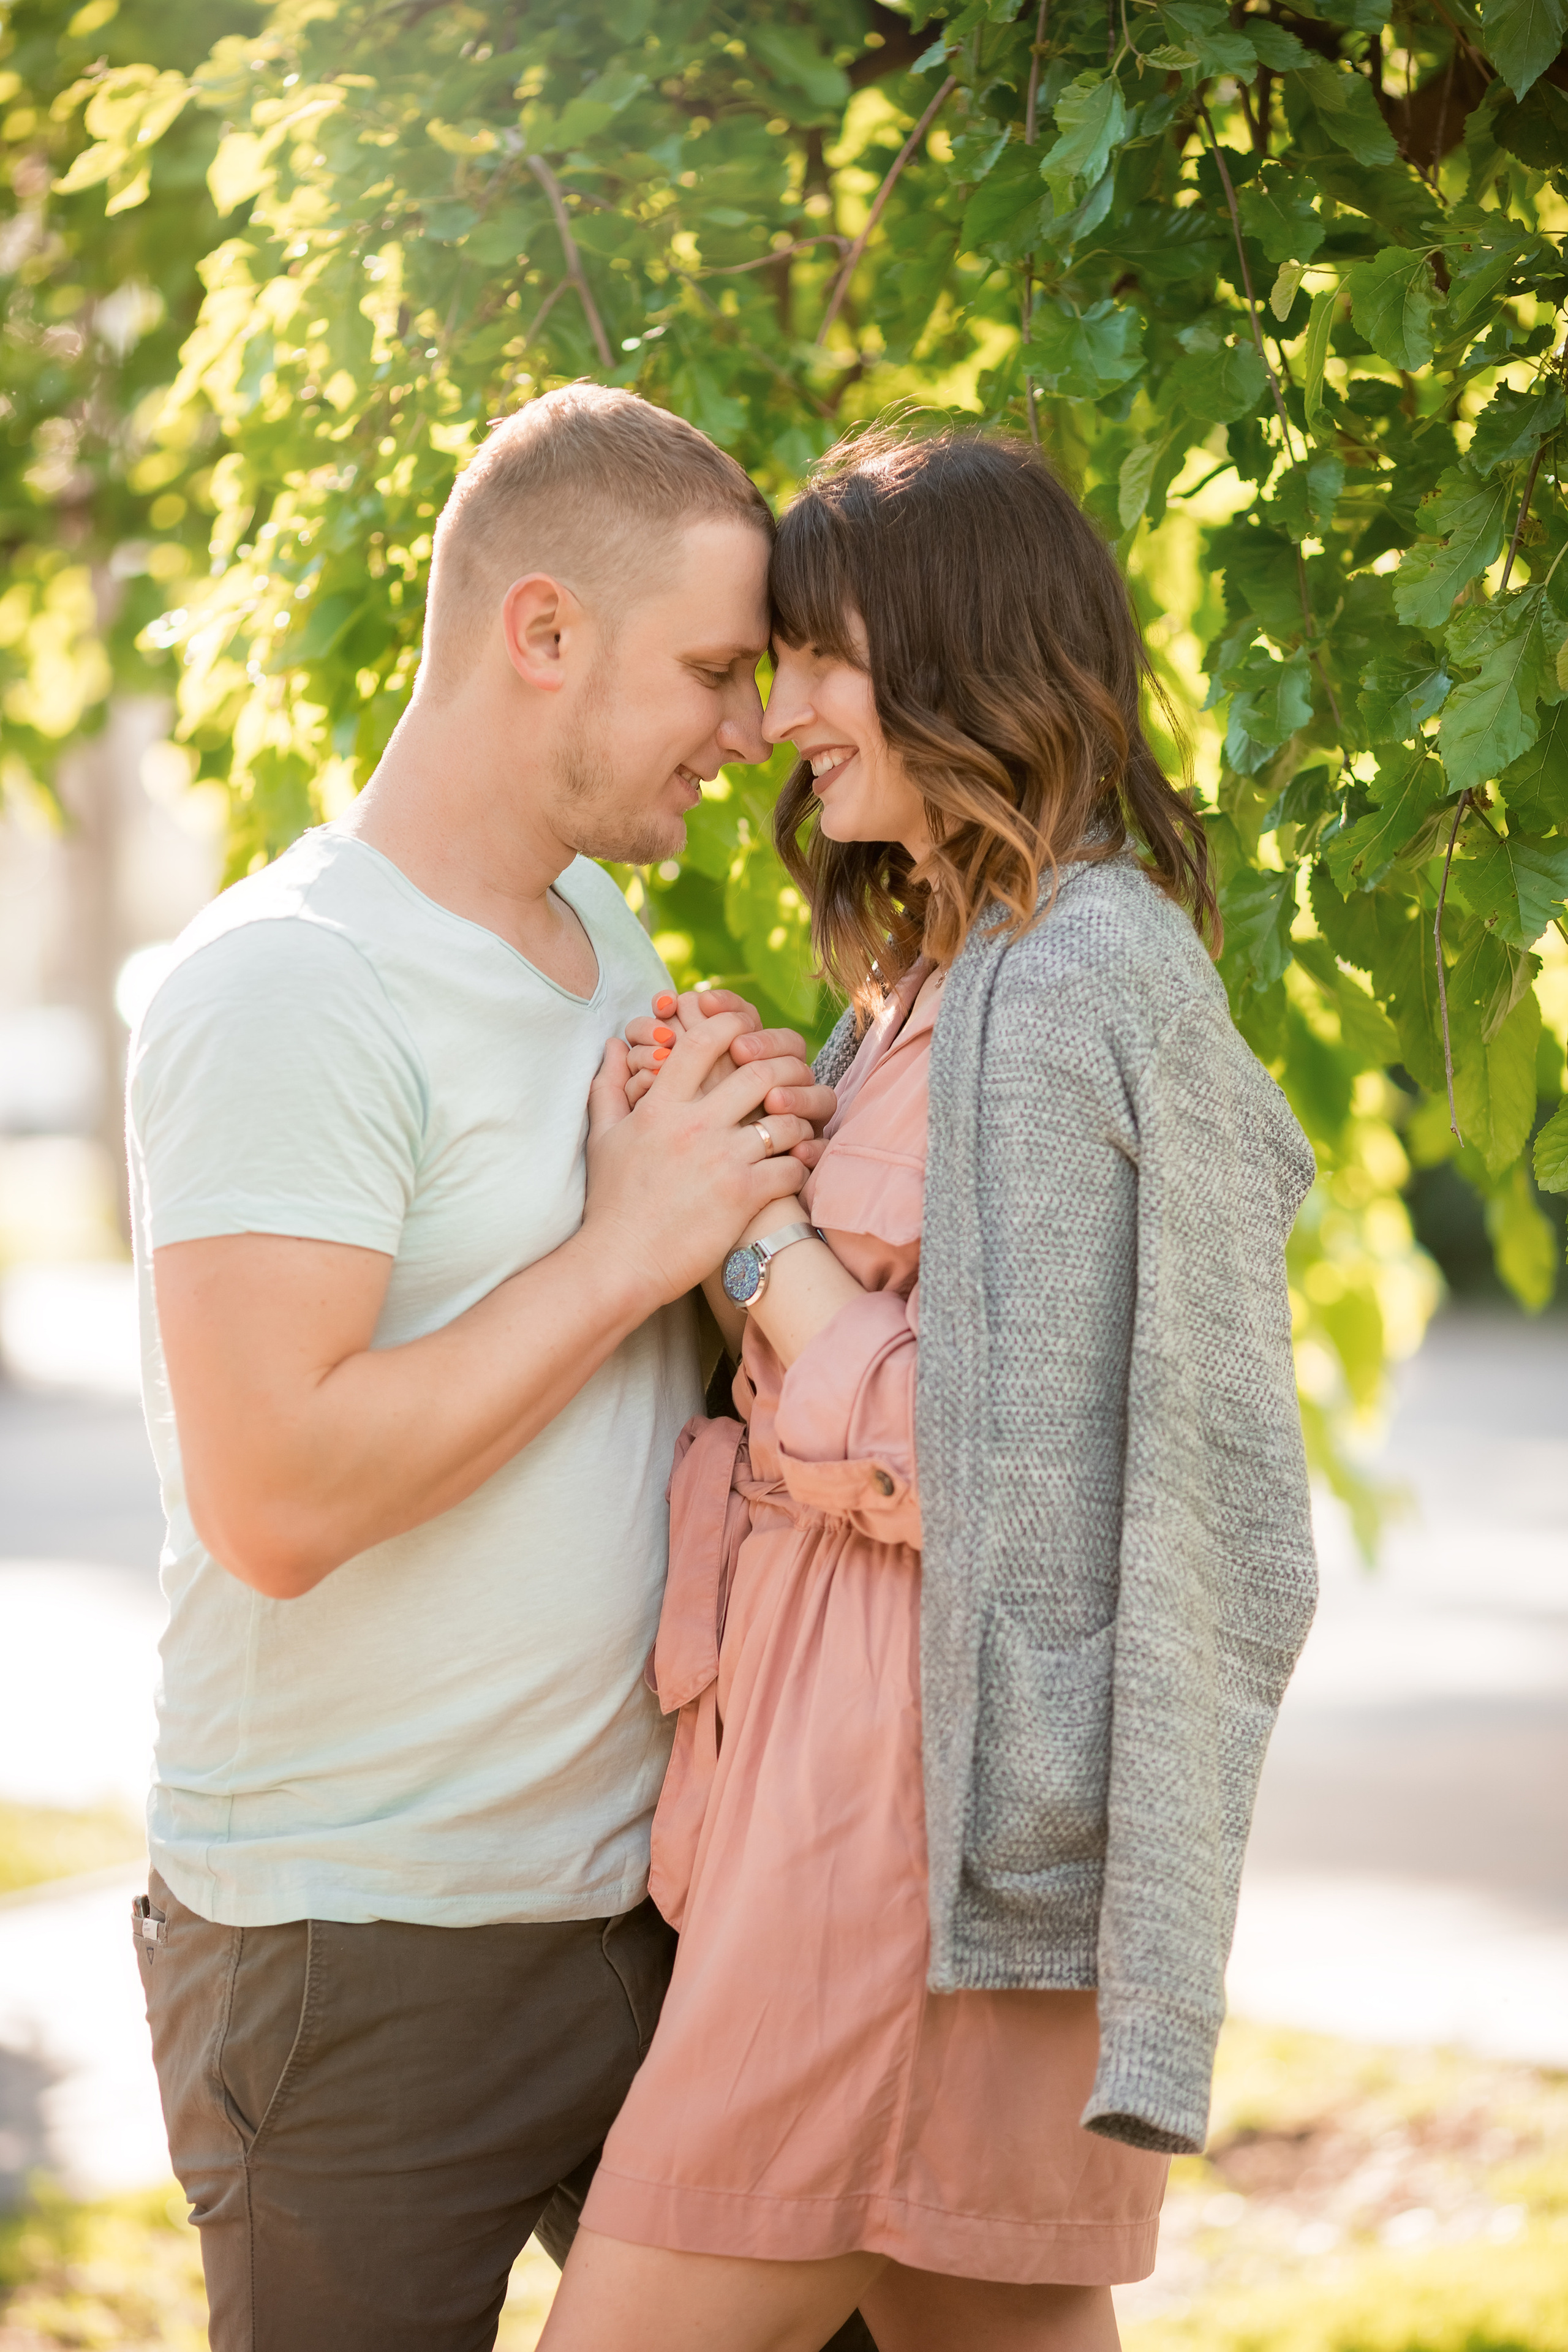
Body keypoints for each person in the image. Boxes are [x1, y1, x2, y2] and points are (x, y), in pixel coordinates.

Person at [539, 426, 1320, 2352]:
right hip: (870, 1814)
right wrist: (748, 1129)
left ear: (963, 647)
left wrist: (764, 1248)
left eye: (822, 652)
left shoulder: (1069, 982)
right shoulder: (936, 975)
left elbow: (1016, 1480)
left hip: (895, 1852)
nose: (783, 709)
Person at [124, 383, 857, 2352]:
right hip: (356, 1956)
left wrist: (746, 1181)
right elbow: (278, 1501)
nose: (751, 730)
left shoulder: (600, 935)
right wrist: (636, 1242)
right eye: (713, 669)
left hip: (640, 1913)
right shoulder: (290, 983)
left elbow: (651, 1319)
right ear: (544, 633)